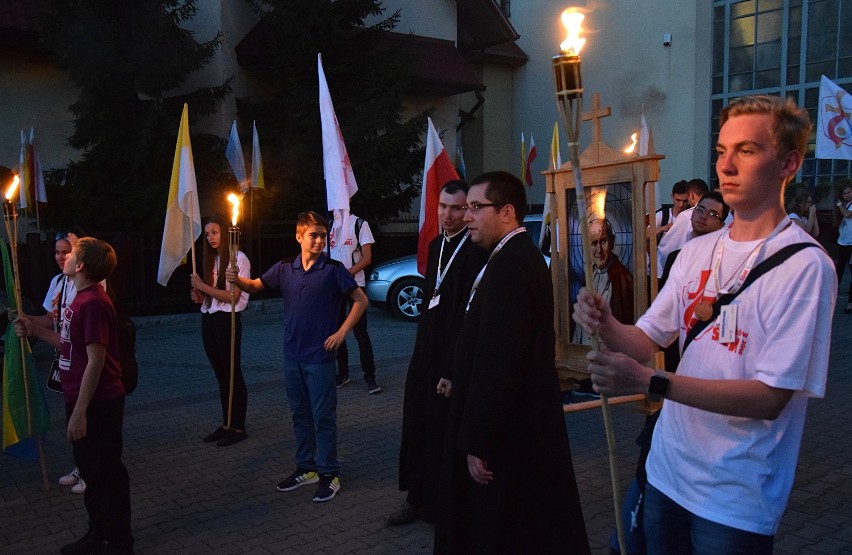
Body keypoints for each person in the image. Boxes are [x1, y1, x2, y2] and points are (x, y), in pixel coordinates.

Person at [574, 95, 836, 554]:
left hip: (734, 494)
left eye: (747, 151)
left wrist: (650, 380)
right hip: (666, 471)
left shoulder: (806, 267)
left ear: (789, 163)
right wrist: (607, 321)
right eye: (721, 151)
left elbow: (770, 398)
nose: (726, 165)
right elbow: (645, 339)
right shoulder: (697, 251)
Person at [434, 171, 589, 554]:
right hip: (510, 421)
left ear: (506, 212)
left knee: (506, 527)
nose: (466, 216)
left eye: (475, 207)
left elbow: (499, 359)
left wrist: (477, 439)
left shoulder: (512, 265)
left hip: (510, 429)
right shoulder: (505, 257)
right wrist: (457, 374)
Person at [609, 191, 728, 555]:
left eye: (713, 213)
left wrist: (651, 379)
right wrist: (606, 324)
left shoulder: (758, 268)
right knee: (636, 525)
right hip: (669, 420)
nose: (702, 216)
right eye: (700, 209)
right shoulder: (681, 256)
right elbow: (652, 332)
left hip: (715, 435)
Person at [226, 211, 367, 503]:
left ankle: (330, 473)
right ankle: (307, 468)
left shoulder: (334, 269)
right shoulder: (284, 269)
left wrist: (342, 333)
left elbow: (360, 300)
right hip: (292, 355)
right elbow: (255, 286)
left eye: (322, 236)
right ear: (299, 236)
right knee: (300, 415)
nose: (319, 240)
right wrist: (236, 280)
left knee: (323, 417)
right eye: (312, 235)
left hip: (320, 357)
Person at [16, 237, 134, 554]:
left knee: (106, 472)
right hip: (80, 399)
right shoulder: (77, 299)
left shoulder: (94, 302)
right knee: (91, 473)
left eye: (72, 253)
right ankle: (98, 532)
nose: (65, 256)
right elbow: (67, 344)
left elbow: (96, 361)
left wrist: (80, 412)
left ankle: (117, 541)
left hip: (99, 403)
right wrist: (33, 328)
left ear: (79, 265)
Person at [388, 180, 488, 526]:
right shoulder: (435, 246)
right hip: (425, 355)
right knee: (418, 426)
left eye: (456, 208)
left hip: (452, 359)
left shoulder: (475, 251)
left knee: (446, 432)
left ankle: (446, 505)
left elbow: (468, 315)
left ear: (468, 210)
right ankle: (417, 498)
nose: (447, 214)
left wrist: (453, 368)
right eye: (442, 207)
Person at [190, 214, 251, 447]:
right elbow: (209, 296)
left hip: (228, 320)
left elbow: (233, 296)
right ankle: (226, 422)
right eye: (207, 234)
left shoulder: (238, 259)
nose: (211, 238)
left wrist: (203, 287)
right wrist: (200, 294)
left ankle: (238, 425)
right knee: (220, 373)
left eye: (214, 232)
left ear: (224, 232)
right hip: (209, 318)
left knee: (232, 371)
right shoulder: (210, 259)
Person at [329, 212, 381, 394]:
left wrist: (348, 273)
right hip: (336, 288)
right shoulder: (330, 225)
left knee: (360, 333)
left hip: (354, 286)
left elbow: (367, 258)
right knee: (338, 330)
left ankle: (370, 377)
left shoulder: (359, 223)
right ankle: (343, 373)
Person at [573, 217, 633, 345]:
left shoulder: (623, 278)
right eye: (594, 243)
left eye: (603, 241)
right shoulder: (589, 275)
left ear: (611, 242)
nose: (599, 250)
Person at [656, 178, 711, 279]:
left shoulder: (688, 216)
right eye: (678, 200)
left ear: (691, 195)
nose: (681, 204)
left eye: (685, 200)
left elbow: (668, 250)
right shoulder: (727, 214)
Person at [835, 184, 852, 314]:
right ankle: (836, 289)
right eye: (845, 193)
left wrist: (839, 205)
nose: (847, 195)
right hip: (843, 240)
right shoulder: (845, 205)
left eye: (849, 192)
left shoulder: (848, 206)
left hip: (851, 242)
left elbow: (847, 215)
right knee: (839, 267)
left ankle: (850, 302)